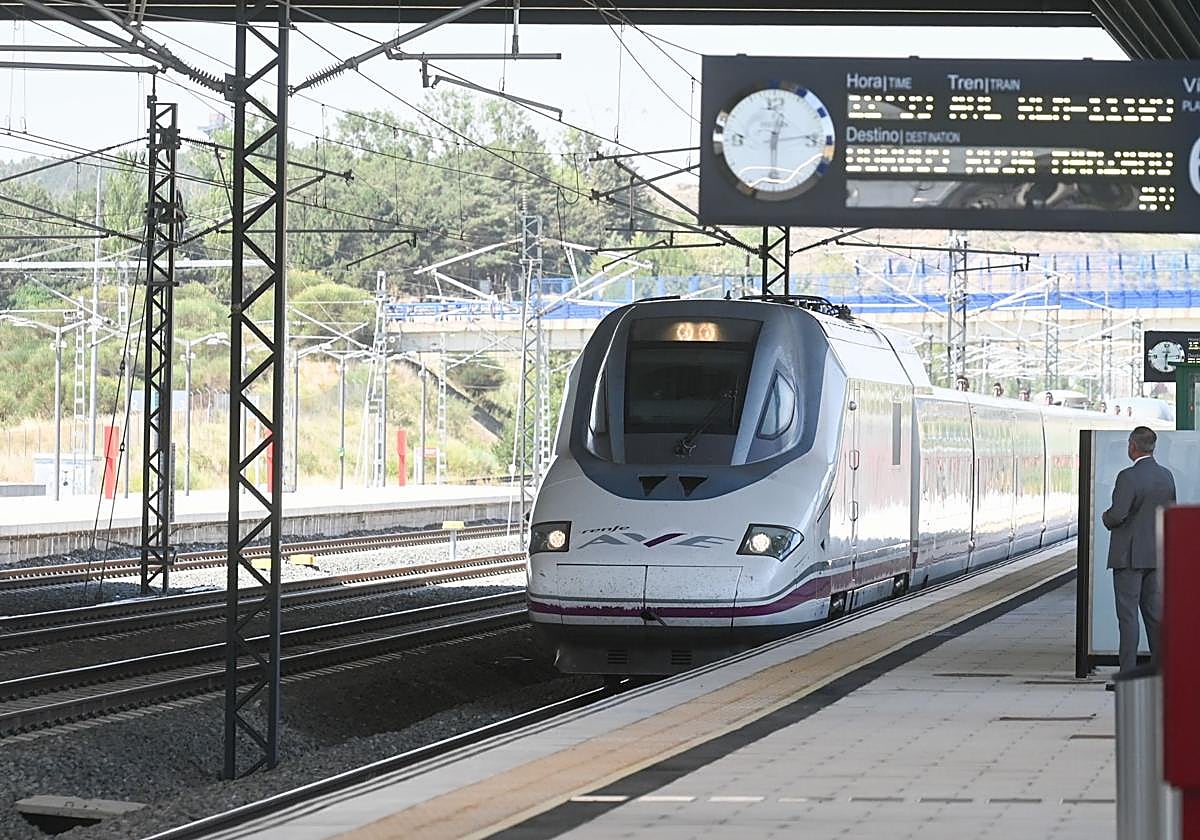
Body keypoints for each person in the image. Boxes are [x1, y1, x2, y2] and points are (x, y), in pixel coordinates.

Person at [1101, 426, 1177, 679]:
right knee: (1154, 615)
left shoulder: (1128, 477)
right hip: (1156, 555)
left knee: (1128, 615)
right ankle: (1162, 670)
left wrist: (1106, 517)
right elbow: (1170, 513)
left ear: (1132, 446)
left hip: (1129, 557)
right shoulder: (1166, 476)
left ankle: (1128, 673)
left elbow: (1117, 515)